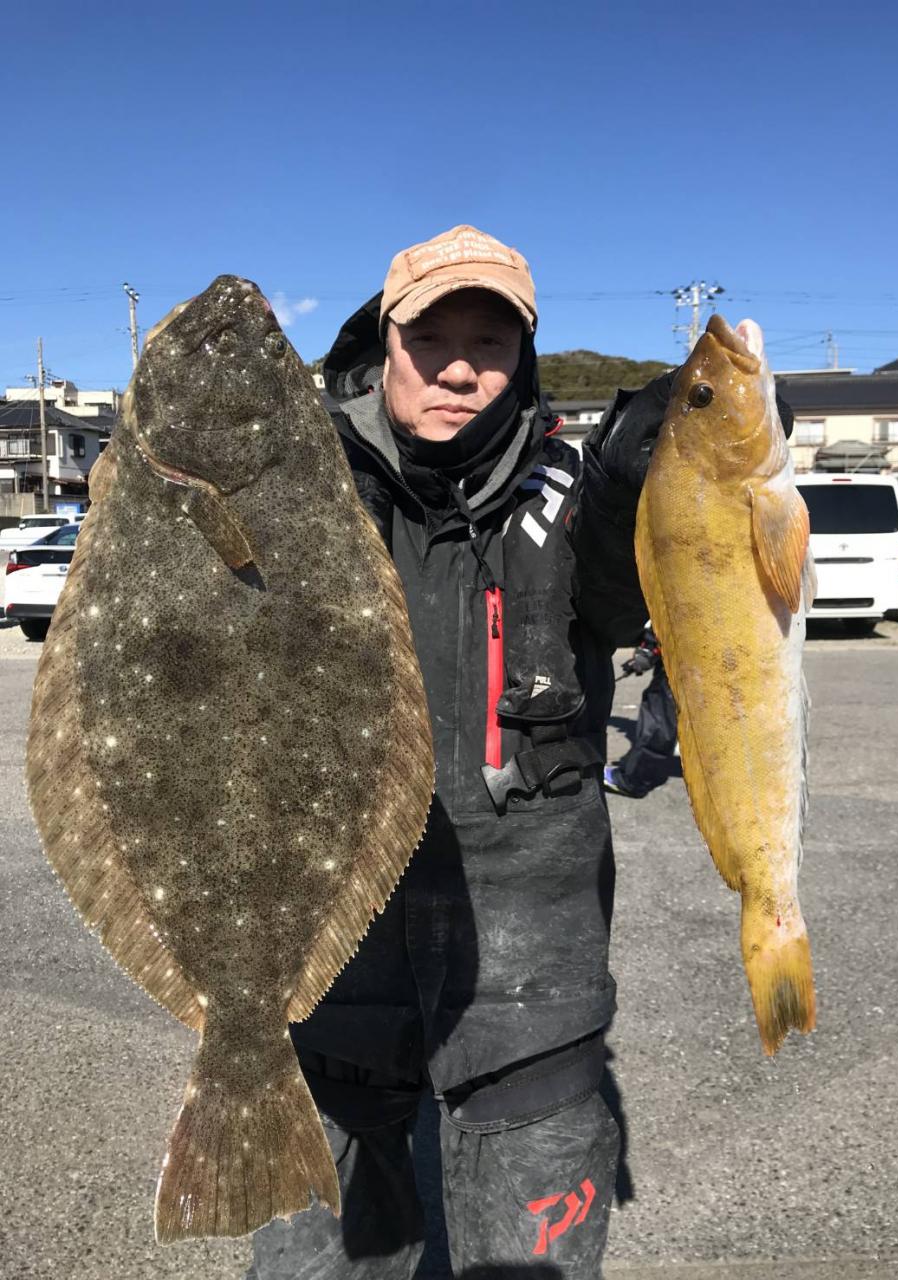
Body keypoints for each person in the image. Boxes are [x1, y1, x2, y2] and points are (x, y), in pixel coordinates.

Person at [247, 225, 790, 1279]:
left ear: (525, 356)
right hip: (321, 965)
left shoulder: (574, 500)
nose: (458, 368)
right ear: (380, 342)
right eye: (430, 338)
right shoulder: (288, 493)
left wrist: (647, 457)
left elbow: (628, 578)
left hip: (531, 979)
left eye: (489, 343)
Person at [603, 624, 678, 799]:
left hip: (683, 663)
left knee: (659, 724)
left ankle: (635, 781)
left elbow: (672, 620)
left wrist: (649, 649)